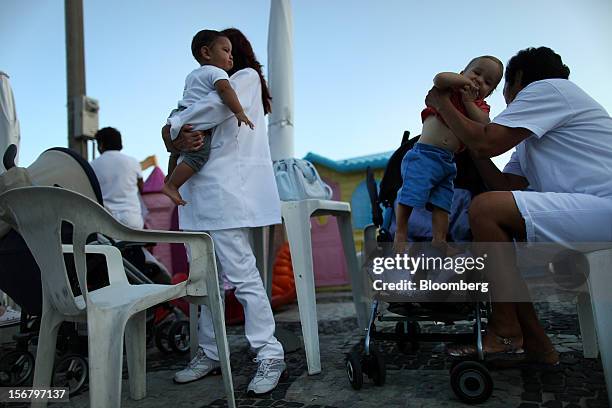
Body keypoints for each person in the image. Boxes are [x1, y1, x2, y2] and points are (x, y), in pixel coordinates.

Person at [425, 46, 612, 364]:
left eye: (502, 88)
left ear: (519, 80)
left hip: (603, 206)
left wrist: (442, 103)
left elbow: (487, 141)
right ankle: (536, 342)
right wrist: (471, 143)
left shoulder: (548, 89)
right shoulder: (532, 136)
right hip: (591, 209)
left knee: (485, 211)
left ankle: (505, 327)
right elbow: (504, 185)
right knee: (495, 239)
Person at [162, 28, 286, 395]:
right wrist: (175, 130)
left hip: (224, 195)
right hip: (197, 196)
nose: (226, 56)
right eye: (221, 50)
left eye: (229, 49)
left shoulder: (244, 80)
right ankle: (211, 353)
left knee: (244, 277)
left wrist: (174, 126)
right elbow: (183, 122)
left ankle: (269, 353)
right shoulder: (208, 83)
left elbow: (206, 113)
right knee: (205, 282)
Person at [394, 56, 503, 252]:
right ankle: (400, 232)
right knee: (411, 193)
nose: (479, 80)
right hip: (424, 154)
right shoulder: (449, 90)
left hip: (447, 162)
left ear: (489, 93)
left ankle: (439, 239)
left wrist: (469, 101)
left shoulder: (480, 107)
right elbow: (440, 78)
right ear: (462, 73)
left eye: (487, 82)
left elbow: (484, 123)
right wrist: (462, 82)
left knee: (442, 204)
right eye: (476, 73)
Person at [162, 29, 254, 206]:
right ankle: (173, 185)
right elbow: (225, 91)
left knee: (176, 151)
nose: (231, 57)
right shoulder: (218, 73)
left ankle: (169, 177)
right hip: (193, 118)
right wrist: (239, 112)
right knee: (198, 154)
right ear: (206, 53)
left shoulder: (192, 75)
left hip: (178, 112)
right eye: (226, 51)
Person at [90, 127, 145, 229]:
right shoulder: (133, 162)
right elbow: (142, 188)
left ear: (101, 144)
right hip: (133, 220)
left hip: (106, 221)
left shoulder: (92, 165)